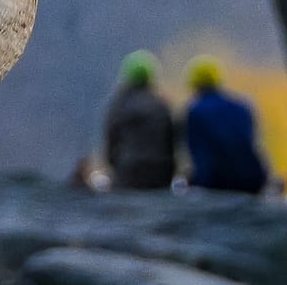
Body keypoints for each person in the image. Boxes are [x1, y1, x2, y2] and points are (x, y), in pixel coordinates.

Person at [183, 56, 270, 194]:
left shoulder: (195, 112)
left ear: (194, 83)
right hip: (252, 177)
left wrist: (196, 182)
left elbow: (200, 156)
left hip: (218, 182)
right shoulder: (242, 106)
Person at [102, 50, 176, 190]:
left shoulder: (119, 105)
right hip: (160, 175)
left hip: (128, 173)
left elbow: (111, 142)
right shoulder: (161, 106)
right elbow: (170, 142)